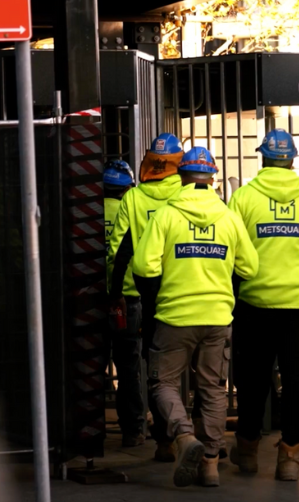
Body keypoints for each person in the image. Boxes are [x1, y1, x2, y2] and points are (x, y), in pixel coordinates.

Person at [132, 147, 258, 488]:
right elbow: (250, 266)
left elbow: (143, 266)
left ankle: (184, 436)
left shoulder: (166, 214)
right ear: (212, 178)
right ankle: (211, 465)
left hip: (174, 317)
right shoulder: (229, 217)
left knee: (163, 383)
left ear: (181, 176)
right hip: (218, 318)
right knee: (214, 390)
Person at [228, 128, 299, 480]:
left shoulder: (243, 198)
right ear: (292, 159)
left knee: (253, 380)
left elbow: (232, 250)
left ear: (263, 157)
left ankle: (247, 451)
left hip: (254, 303)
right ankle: (290, 456)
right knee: (294, 380)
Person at [110, 134, 184, 458]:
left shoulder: (134, 199)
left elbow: (118, 251)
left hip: (141, 296)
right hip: (181, 293)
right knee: (179, 371)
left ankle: (149, 435)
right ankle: (187, 435)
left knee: (142, 368)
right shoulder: (186, 195)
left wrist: (121, 292)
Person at [103, 160, 144, 447]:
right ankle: (133, 431)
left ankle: (87, 432)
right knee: (129, 367)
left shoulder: (86, 213)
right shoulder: (132, 210)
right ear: (128, 187)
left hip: (90, 299)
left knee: (89, 366)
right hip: (128, 300)